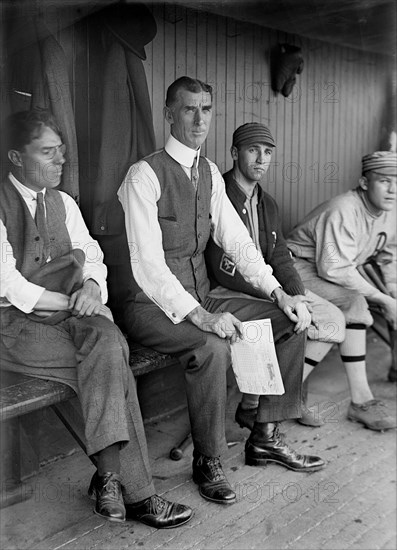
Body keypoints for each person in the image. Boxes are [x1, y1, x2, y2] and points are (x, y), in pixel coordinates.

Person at [118, 76, 325, 508]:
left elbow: (238, 241)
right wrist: (201, 316)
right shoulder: (145, 175)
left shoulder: (210, 172)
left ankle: (265, 434)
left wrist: (278, 292)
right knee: (211, 346)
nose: (198, 119)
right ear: (169, 113)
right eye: (189, 109)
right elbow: (148, 266)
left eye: (206, 109)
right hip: (149, 304)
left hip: (201, 293)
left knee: (289, 319)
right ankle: (208, 460)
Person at [0, 108, 193, 528]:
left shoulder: (64, 203)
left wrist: (91, 288)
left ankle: (109, 480)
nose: (59, 161)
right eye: (47, 153)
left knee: (107, 345)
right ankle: (136, 493)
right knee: (111, 359)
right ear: (16, 158)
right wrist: (75, 303)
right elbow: (9, 284)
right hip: (15, 327)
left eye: (62, 152)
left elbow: (93, 256)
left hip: (71, 313)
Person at [205, 122, 351, 428]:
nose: (261, 159)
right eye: (253, 150)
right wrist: (278, 297)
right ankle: (261, 408)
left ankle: (276, 397)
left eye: (268, 152)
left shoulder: (267, 203)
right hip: (224, 293)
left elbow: (281, 256)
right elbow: (221, 266)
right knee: (282, 319)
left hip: (272, 290)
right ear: (234, 152)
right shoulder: (218, 195)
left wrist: (296, 294)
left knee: (331, 321)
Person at [287, 150, 397, 430]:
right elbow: (333, 268)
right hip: (294, 268)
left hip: (324, 270)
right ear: (363, 183)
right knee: (354, 304)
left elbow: (389, 254)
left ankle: (360, 401)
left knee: (356, 304)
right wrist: (382, 299)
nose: (393, 189)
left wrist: (393, 293)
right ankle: (279, 397)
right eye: (384, 181)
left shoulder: (389, 211)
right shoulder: (344, 209)